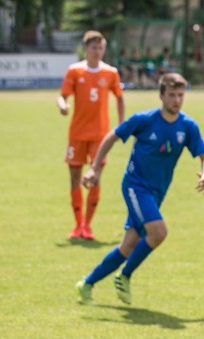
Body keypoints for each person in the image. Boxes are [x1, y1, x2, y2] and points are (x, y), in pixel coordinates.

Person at [74, 73, 204, 305]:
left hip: (157, 193)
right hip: (135, 186)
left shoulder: (187, 126)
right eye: (172, 95)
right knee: (158, 232)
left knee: (128, 245)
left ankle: (86, 284)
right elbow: (111, 137)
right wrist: (95, 169)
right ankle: (124, 276)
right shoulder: (144, 119)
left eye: (180, 95)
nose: (177, 100)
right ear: (161, 96)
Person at [57, 30, 125, 241]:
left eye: (100, 48)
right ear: (86, 49)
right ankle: (78, 225)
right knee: (75, 177)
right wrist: (62, 105)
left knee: (94, 178)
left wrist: (121, 125)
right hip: (77, 133)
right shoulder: (74, 71)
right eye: (93, 47)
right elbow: (62, 96)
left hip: (100, 136)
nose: (97, 51)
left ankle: (88, 225)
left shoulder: (111, 72)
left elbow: (119, 98)